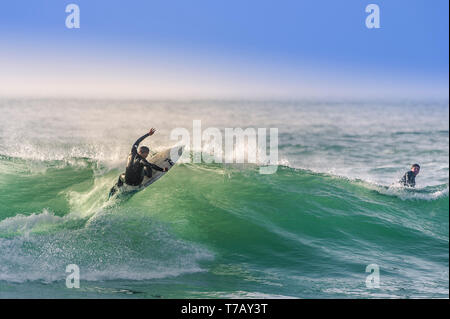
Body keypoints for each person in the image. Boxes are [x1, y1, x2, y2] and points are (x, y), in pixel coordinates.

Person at [109, 128, 167, 197]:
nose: (147, 155)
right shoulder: (142, 160)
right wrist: (162, 169)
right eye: (147, 154)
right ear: (144, 153)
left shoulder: (133, 151)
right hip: (136, 183)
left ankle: (118, 188)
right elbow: (151, 165)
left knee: (121, 176)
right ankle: (149, 175)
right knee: (147, 167)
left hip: (127, 180)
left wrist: (148, 134)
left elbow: (138, 141)